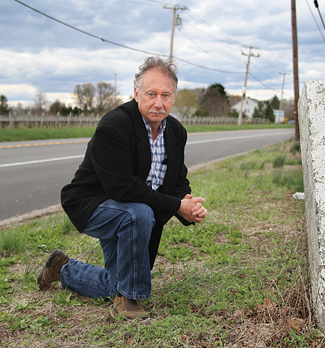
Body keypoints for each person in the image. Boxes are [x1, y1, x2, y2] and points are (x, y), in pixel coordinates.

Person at [37, 56, 208, 319]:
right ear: (137, 93)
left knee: (123, 279)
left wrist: (187, 203)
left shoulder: (176, 131)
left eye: (166, 95)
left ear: (174, 98)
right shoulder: (114, 125)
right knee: (138, 215)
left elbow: (177, 179)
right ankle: (127, 303)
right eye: (151, 94)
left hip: (135, 211)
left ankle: (63, 269)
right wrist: (176, 206)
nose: (158, 103)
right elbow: (123, 189)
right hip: (94, 202)